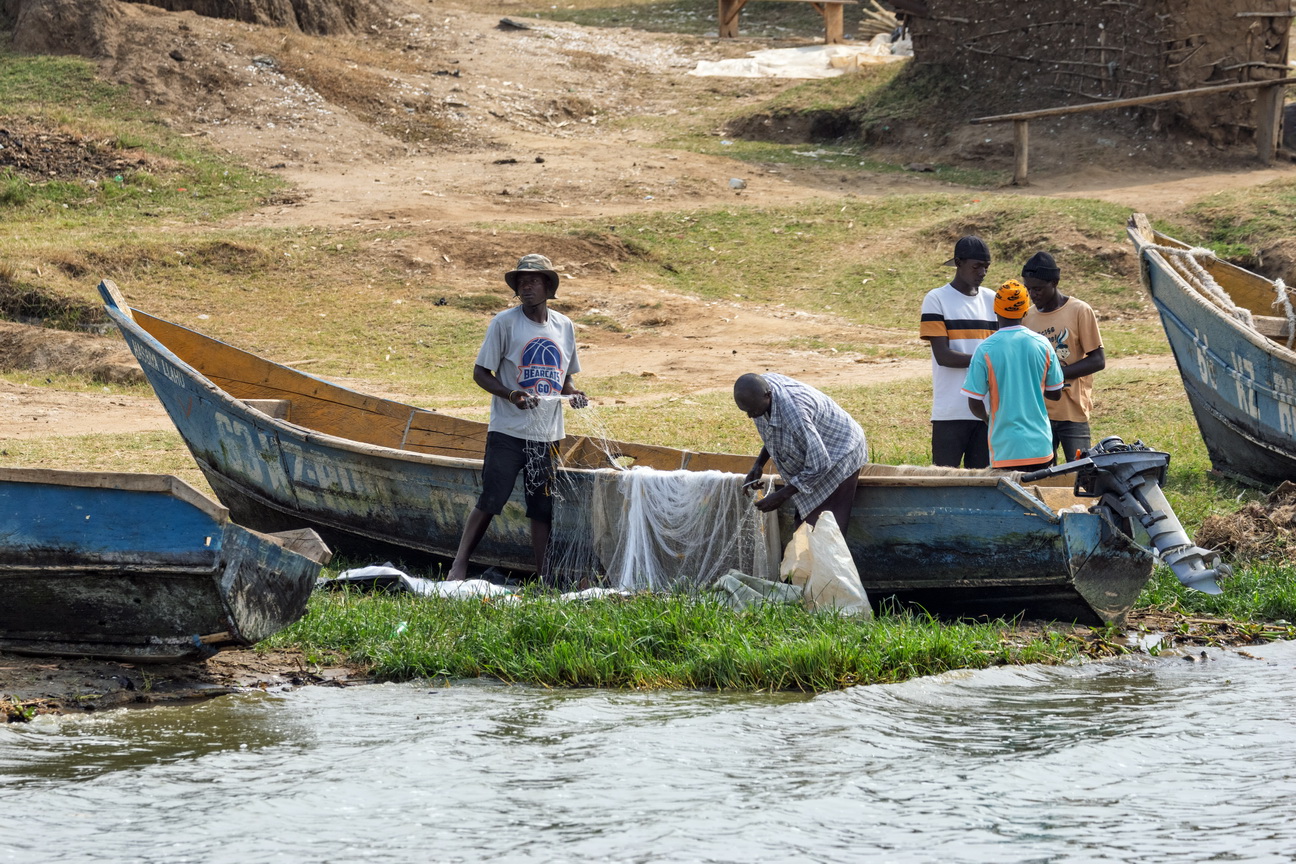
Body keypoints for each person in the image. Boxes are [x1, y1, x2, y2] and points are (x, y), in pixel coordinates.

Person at [447, 254, 588, 583]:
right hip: (508, 431)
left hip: (547, 434)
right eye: (521, 281)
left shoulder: (563, 327)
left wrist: (574, 394)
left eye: (534, 280)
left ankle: (545, 577)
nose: (526, 286)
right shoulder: (504, 323)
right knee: (492, 498)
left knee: (541, 506)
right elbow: (481, 373)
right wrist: (511, 394)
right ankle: (459, 564)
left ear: (548, 287)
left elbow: (564, 378)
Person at [734, 373, 868, 531]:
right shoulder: (758, 392)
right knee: (806, 527)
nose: (750, 416)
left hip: (841, 451)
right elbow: (774, 433)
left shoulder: (795, 412)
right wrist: (758, 465)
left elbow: (819, 465)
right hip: (815, 450)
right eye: (746, 411)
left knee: (822, 529)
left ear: (768, 395)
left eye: (753, 410)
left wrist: (782, 495)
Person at [961, 280, 1065, 472]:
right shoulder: (1042, 344)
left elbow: (974, 402)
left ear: (996, 310)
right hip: (1040, 446)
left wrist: (988, 419)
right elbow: (1056, 392)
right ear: (1026, 311)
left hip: (1005, 449)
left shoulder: (985, 349)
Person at [1019, 251, 1106, 464]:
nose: (1033, 294)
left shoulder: (1079, 311)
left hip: (1072, 412)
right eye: (1029, 289)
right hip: (1039, 414)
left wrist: (1055, 376)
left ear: (1055, 282)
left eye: (1038, 288)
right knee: (1042, 476)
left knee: (1079, 474)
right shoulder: (1027, 317)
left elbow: (1097, 360)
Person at [920, 235, 999, 468]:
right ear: (958, 263)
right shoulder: (936, 298)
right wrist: (989, 361)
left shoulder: (993, 299)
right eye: (977, 266)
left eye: (986, 267)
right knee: (944, 486)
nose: (982, 272)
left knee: (984, 486)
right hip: (950, 411)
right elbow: (943, 357)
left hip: (987, 411)